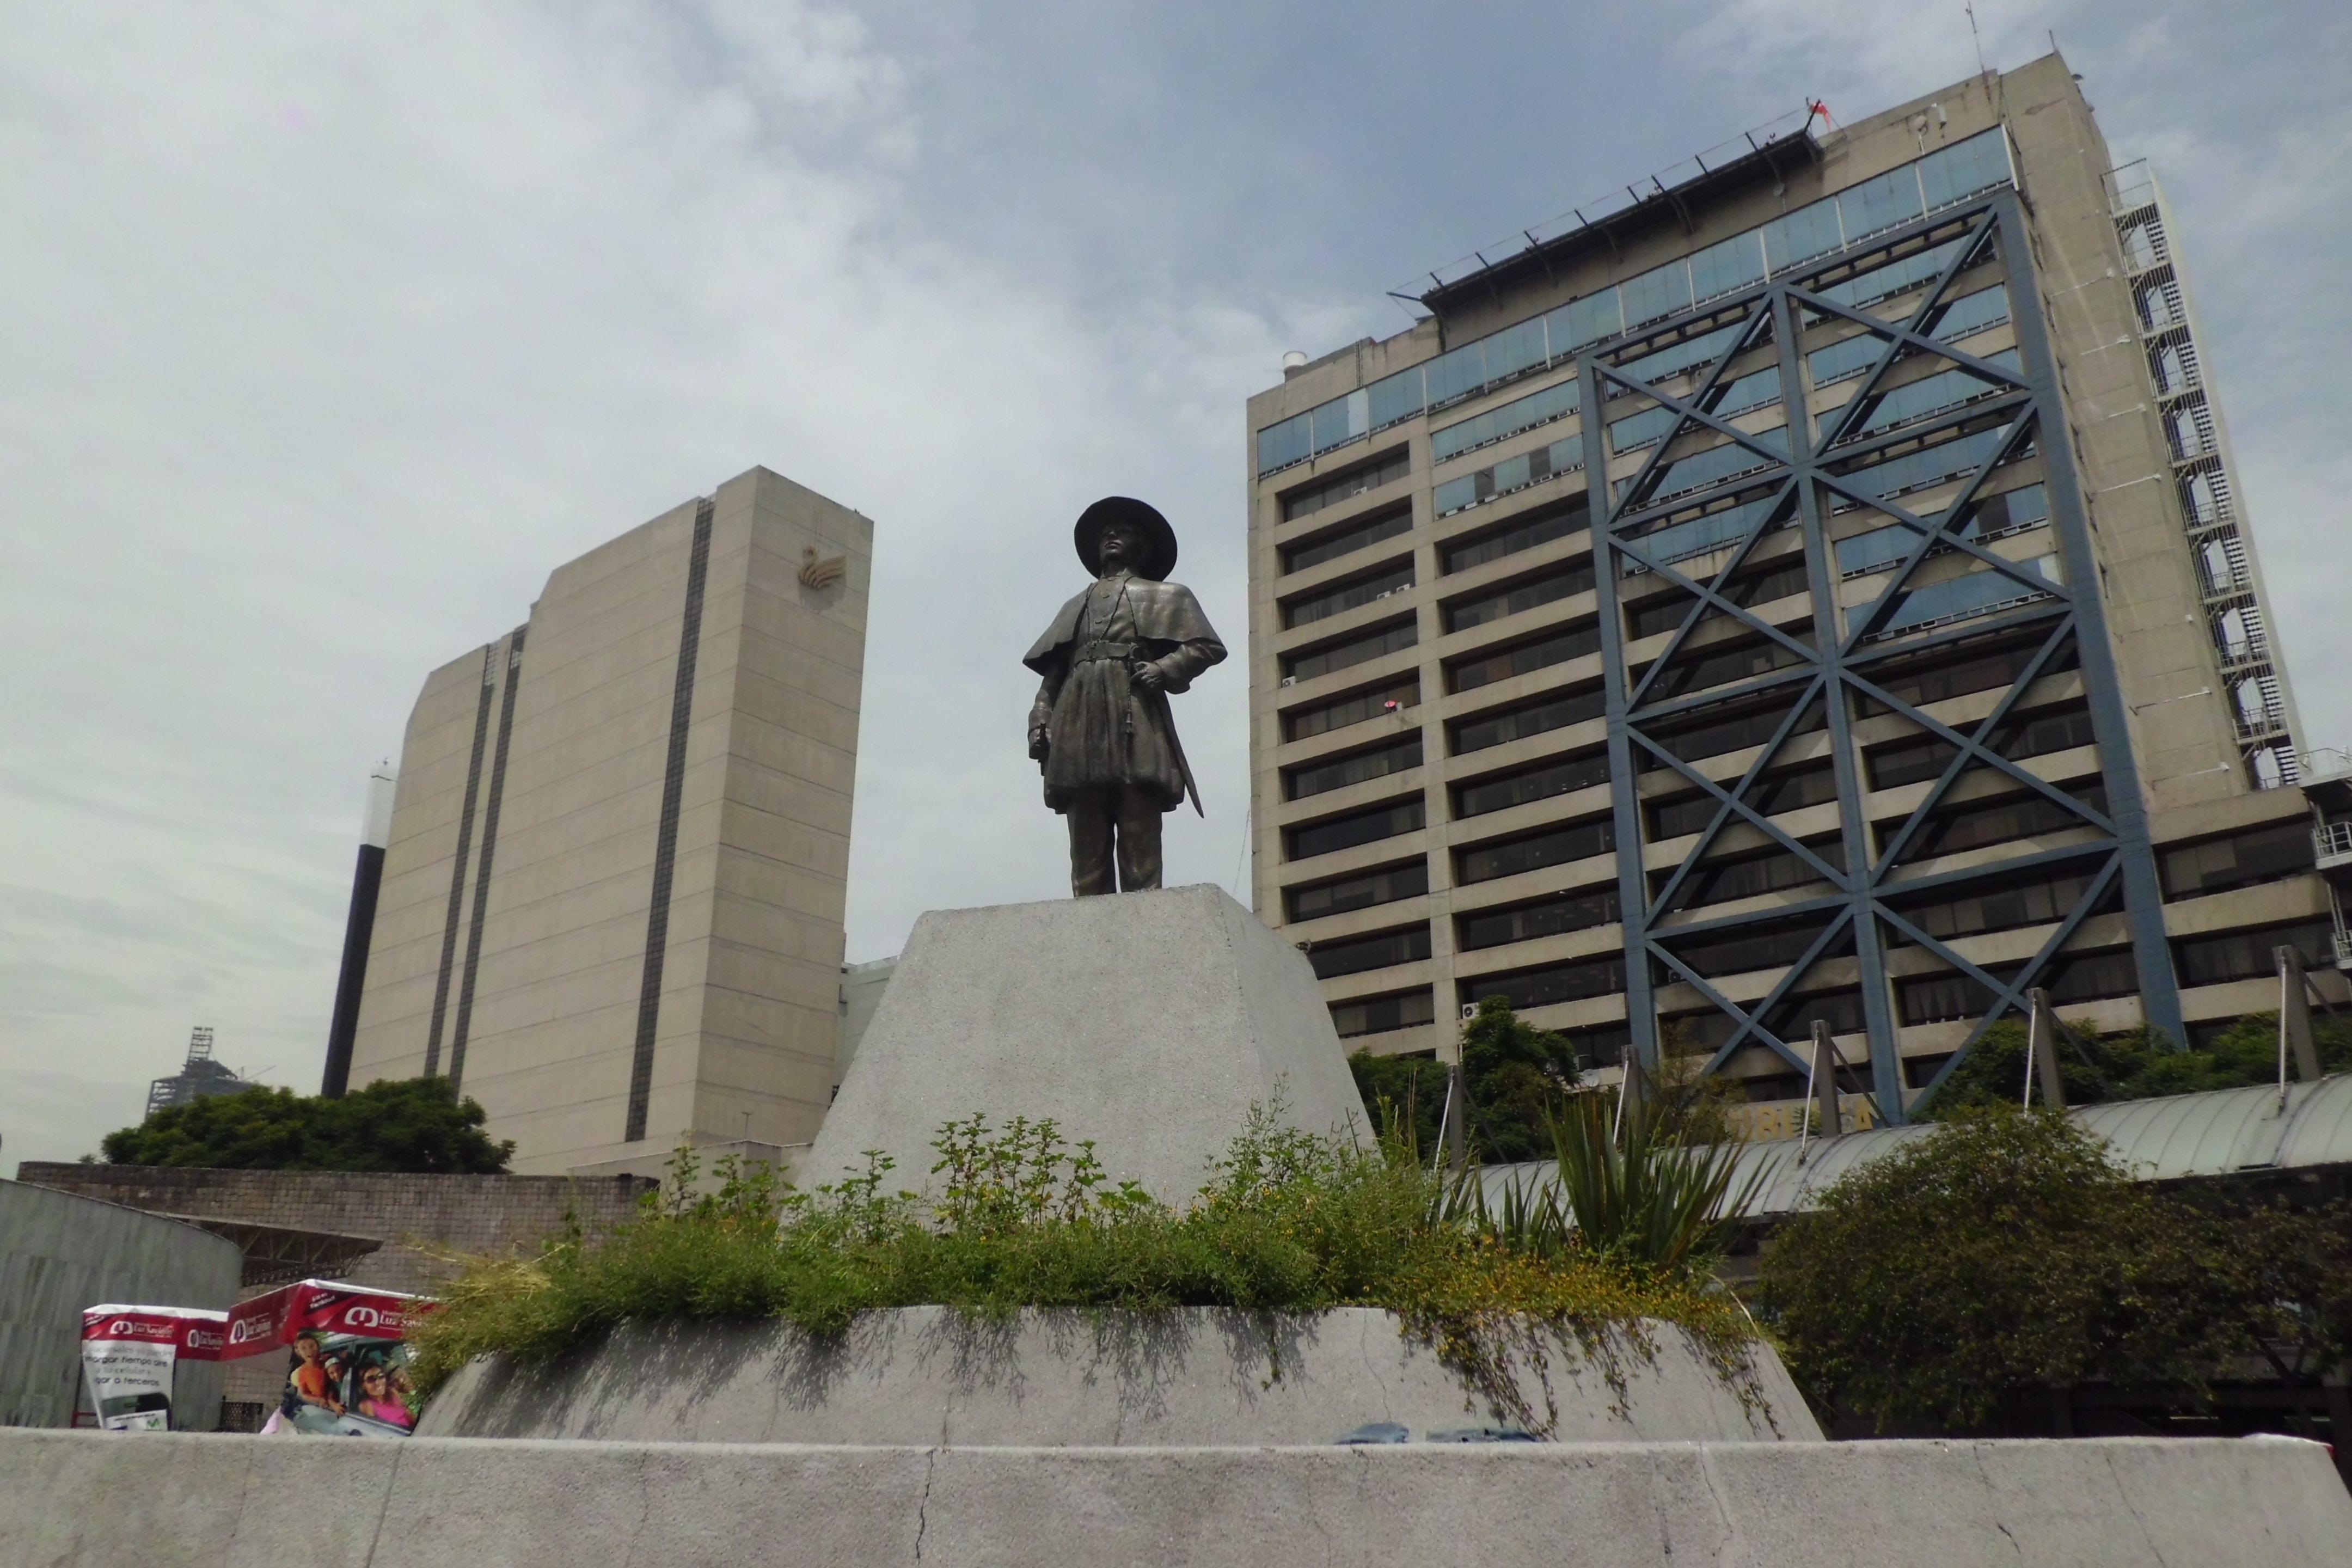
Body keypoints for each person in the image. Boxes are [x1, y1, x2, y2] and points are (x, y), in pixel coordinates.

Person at [1024, 498, 1226, 896]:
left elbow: (1206, 646)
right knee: (1086, 834)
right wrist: (1040, 719)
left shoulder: (1168, 595)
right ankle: (1088, 932)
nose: (1111, 537)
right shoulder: (1073, 606)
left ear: (1144, 547)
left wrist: (1164, 669)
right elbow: (1052, 677)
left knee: (1138, 828)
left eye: (1124, 531)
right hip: (1077, 716)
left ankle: (1144, 922)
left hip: (1133, 711)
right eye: (1105, 534)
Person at [287, 1331, 342, 1417]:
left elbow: (333, 1384)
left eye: (312, 1346)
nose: (309, 1351)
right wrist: (318, 1400)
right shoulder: (303, 1372)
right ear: (298, 1352)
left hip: (340, 1403)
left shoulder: (328, 1360)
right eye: (304, 1348)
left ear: (318, 1346)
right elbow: (304, 1394)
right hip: (323, 1411)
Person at [354, 1364, 413, 1429]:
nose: (377, 1382)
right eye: (371, 1379)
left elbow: (408, 1414)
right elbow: (375, 1431)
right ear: (363, 1385)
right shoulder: (366, 1405)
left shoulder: (392, 1392)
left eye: (381, 1376)